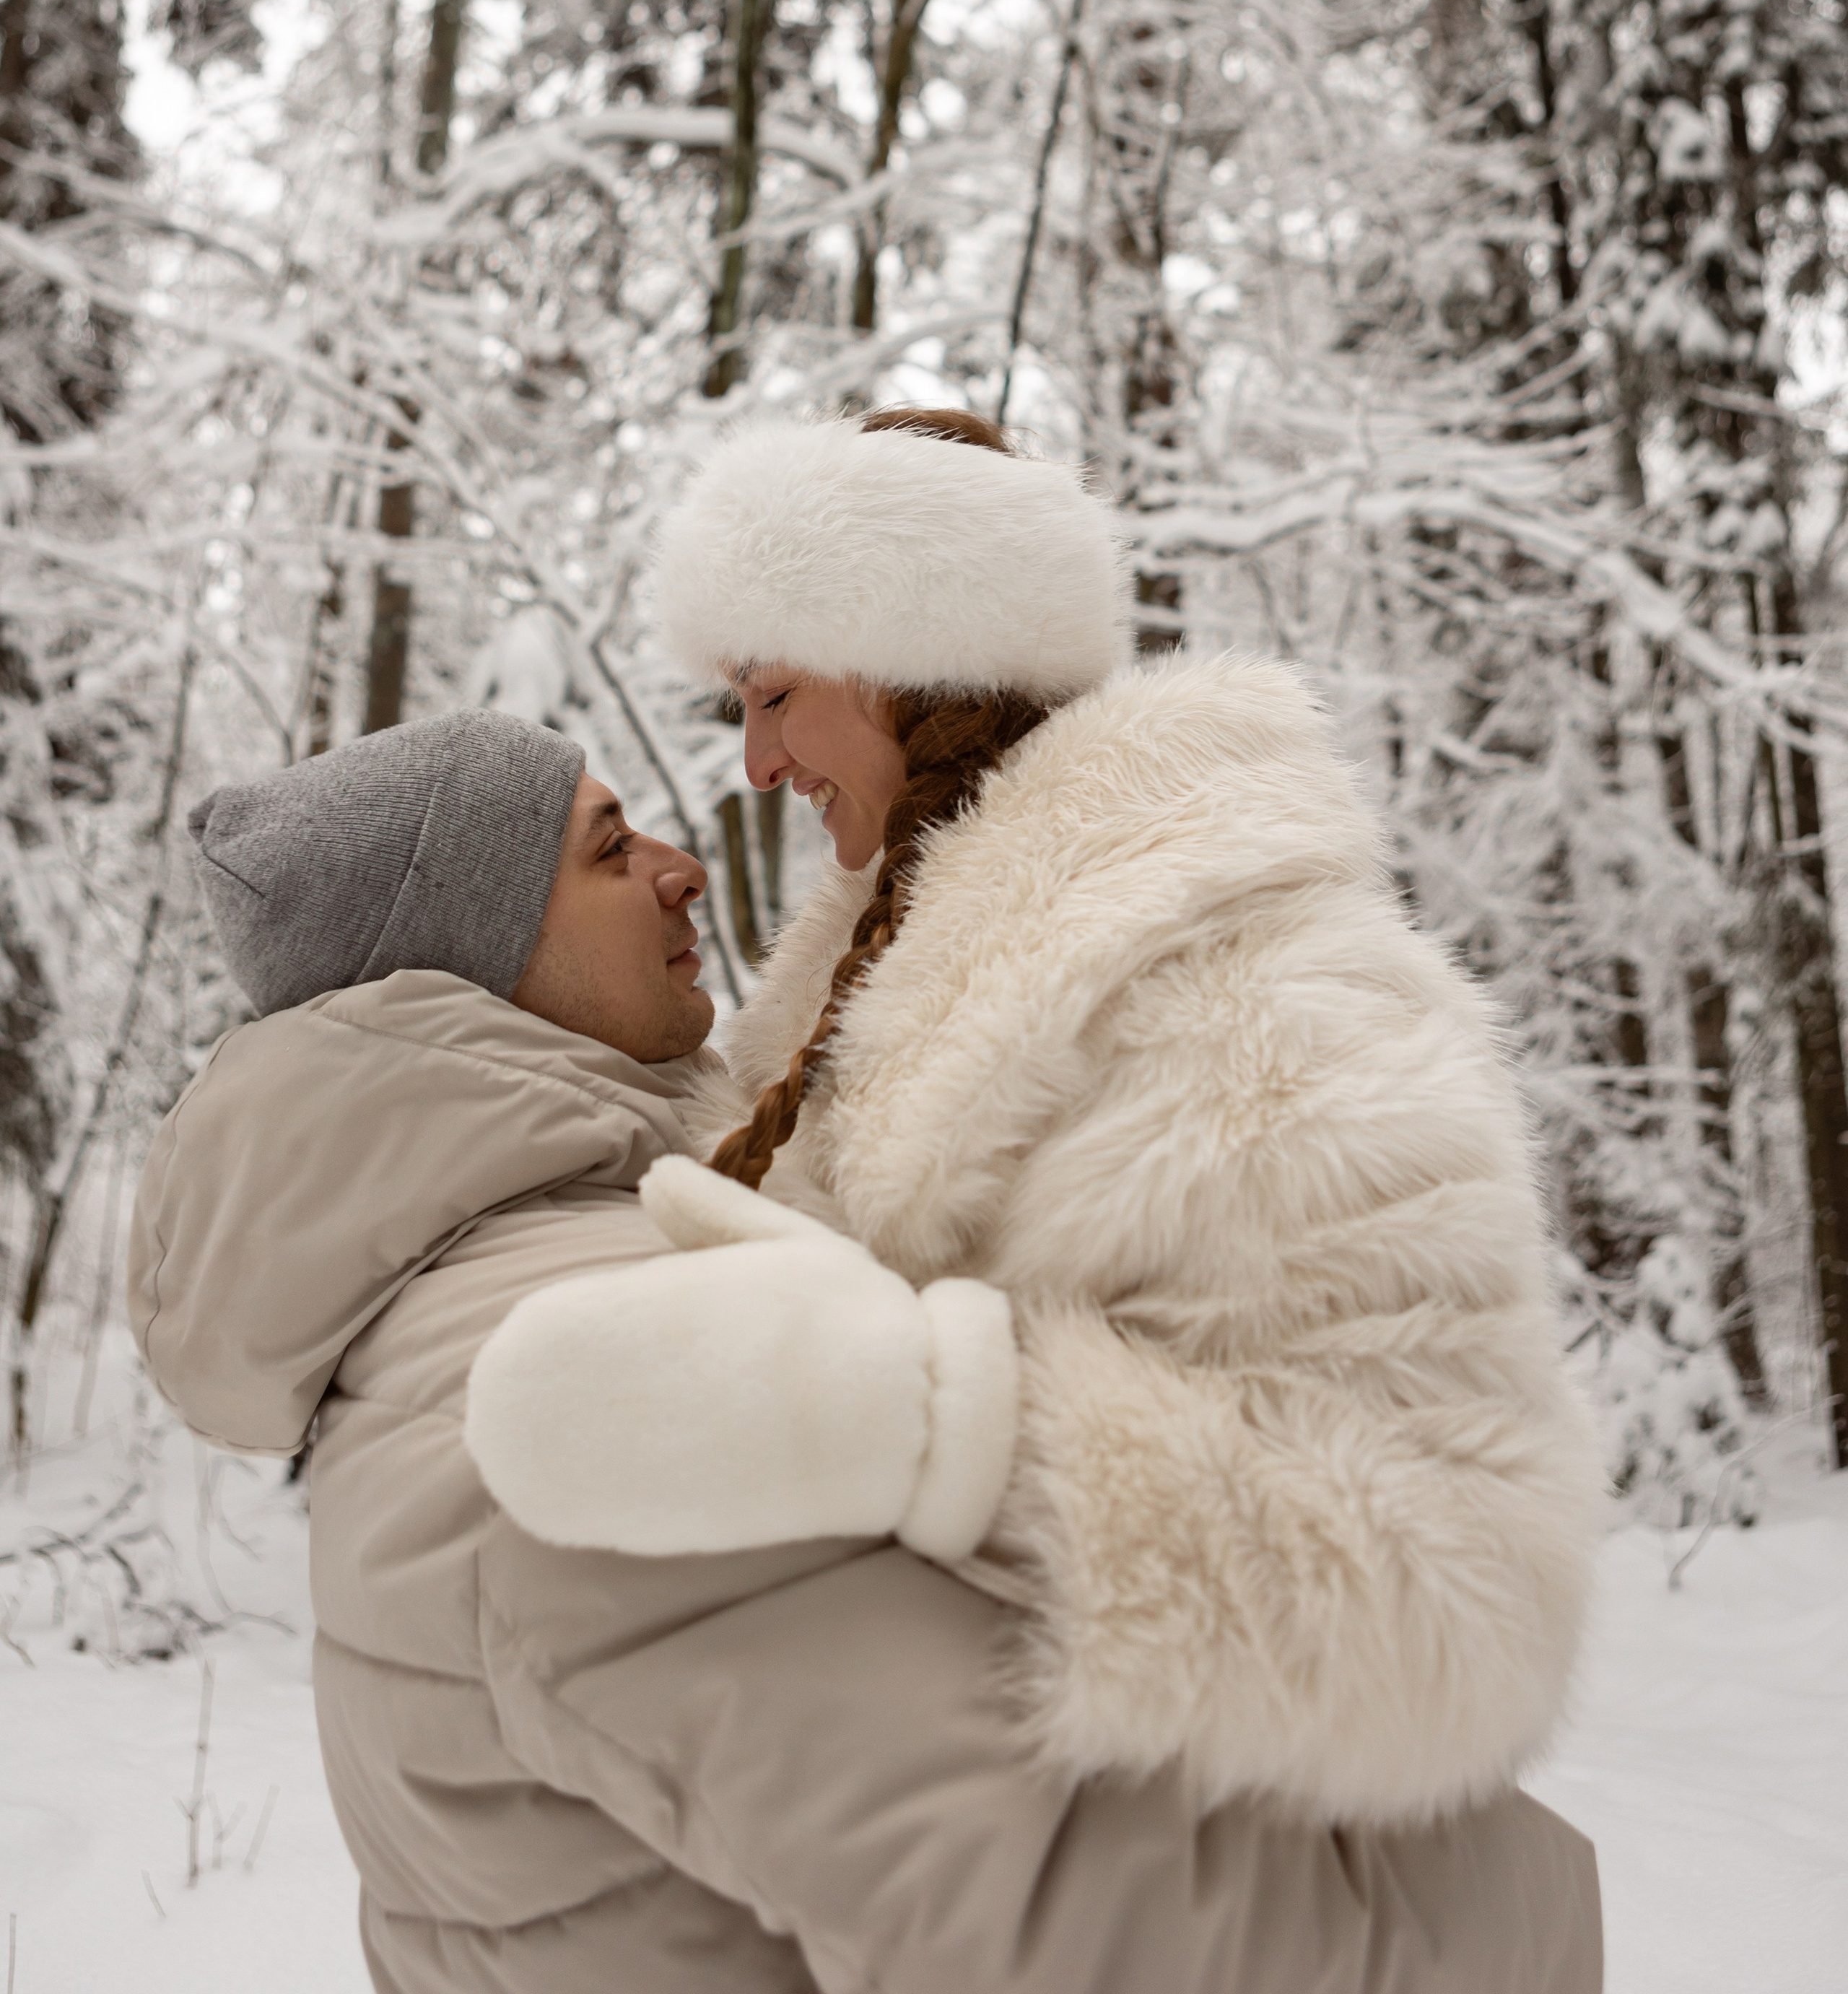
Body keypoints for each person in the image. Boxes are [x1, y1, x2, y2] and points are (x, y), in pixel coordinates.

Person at [128, 702, 1603, 1993]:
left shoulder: (495, 1300)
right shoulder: (575, 1377)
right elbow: (1100, 1931)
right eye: (603, 848)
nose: (680, 862)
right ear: (462, 969)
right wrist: (1538, 1903)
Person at [468, 406, 1606, 1837]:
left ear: (904, 659)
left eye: (771, 696)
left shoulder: (1258, 982)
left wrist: (927, 1426)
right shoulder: (861, 982)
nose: (754, 767)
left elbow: (1467, 1593)